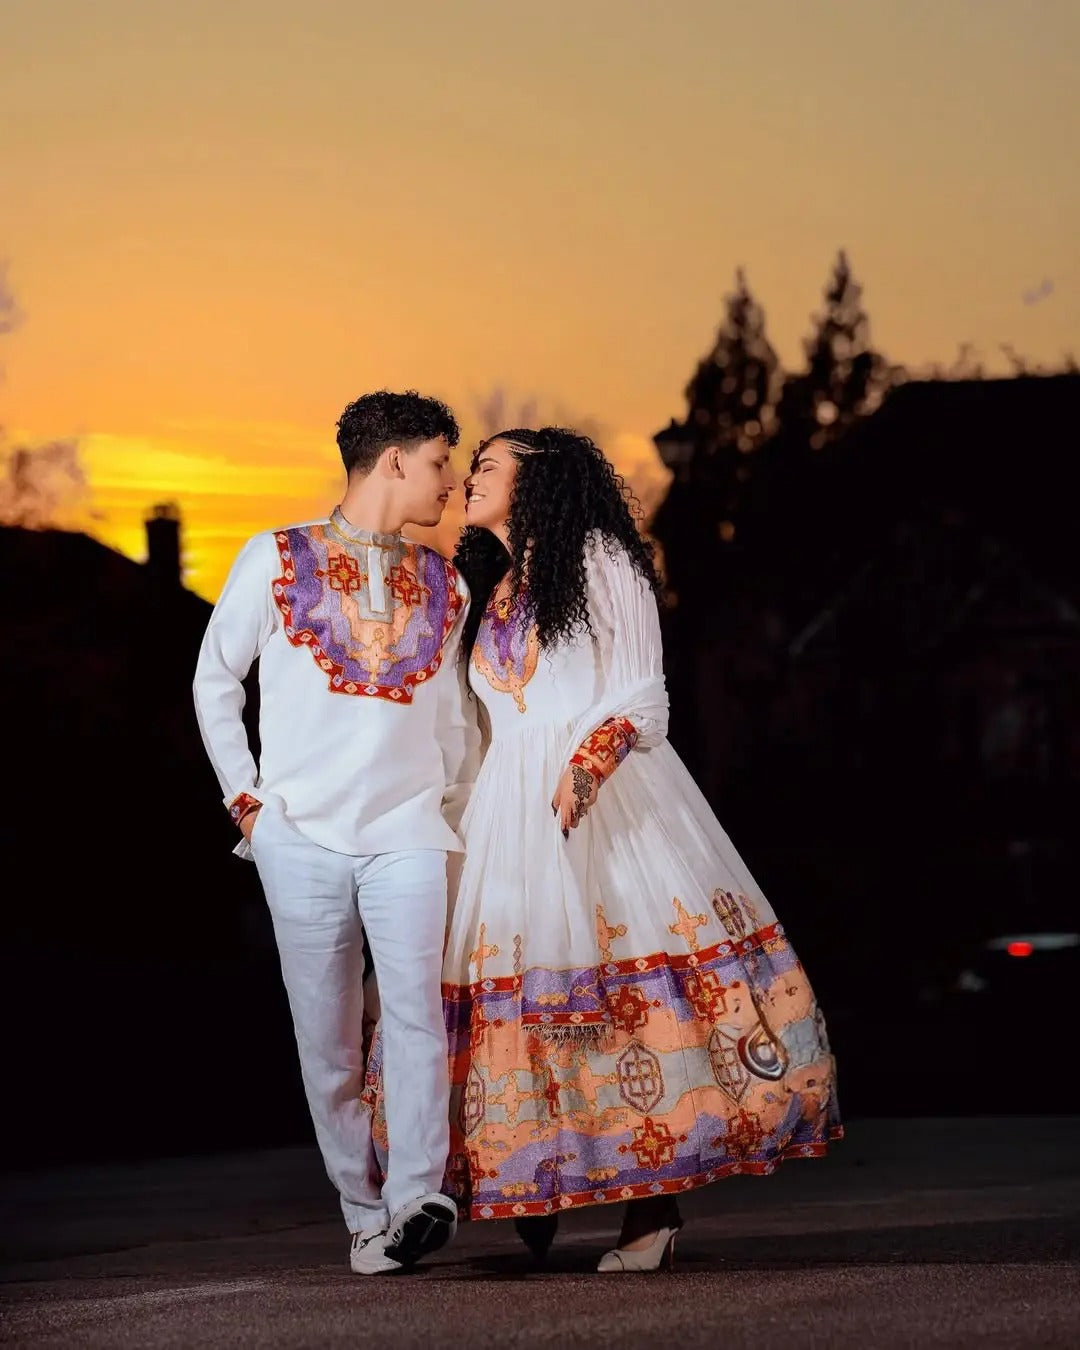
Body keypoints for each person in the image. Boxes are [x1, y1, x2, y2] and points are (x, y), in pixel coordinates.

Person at [439, 425, 842, 1272]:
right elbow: (486, 723)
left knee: (617, 1007)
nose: (471, 476)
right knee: (521, 1001)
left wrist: (585, 769)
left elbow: (643, 694)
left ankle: (649, 1214)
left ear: (540, 481)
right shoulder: (497, 586)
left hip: (604, 806)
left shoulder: (601, 563)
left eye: (489, 465)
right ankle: (539, 1178)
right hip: (508, 814)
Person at [192, 389, 480, 1276]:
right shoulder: (275, 559)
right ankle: (363, 1213)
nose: (451, 485)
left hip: (409, 831)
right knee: (327, 1042)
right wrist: (250, 802)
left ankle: (417, 1200)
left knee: (417, 1017)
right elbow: (213, 679)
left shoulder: (447, 583)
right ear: (393, 461)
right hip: (301, 837)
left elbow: (457, 725)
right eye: (439, 463)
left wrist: (456, 817)